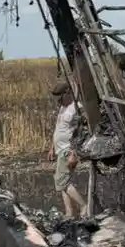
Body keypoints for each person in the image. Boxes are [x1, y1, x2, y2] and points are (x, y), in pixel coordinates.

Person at [49, 80, 86, 217]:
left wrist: (73, 153)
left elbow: (79, 133)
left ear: (68, 93)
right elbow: (59, 128)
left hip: (67, 150)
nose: (58, 102)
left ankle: (84, 206)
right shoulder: (63, 107)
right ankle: (69, 213)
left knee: (61, 182)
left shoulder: (76, 108)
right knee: (63, 183)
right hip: (60, 150)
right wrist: (52, 147)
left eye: (60, 98)